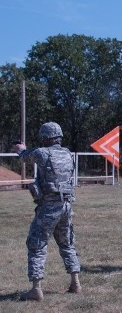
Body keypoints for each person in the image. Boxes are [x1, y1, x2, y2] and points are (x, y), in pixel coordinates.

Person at [12, 122, 81, 301]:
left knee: (37, 244)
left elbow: (24, 157)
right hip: (66, 206)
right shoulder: (67, 154)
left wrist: (20, 148)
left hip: (48, 207)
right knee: (67, 244)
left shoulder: (43, 153)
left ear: (45, 137)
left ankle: (36, 289)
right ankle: (75, 282)